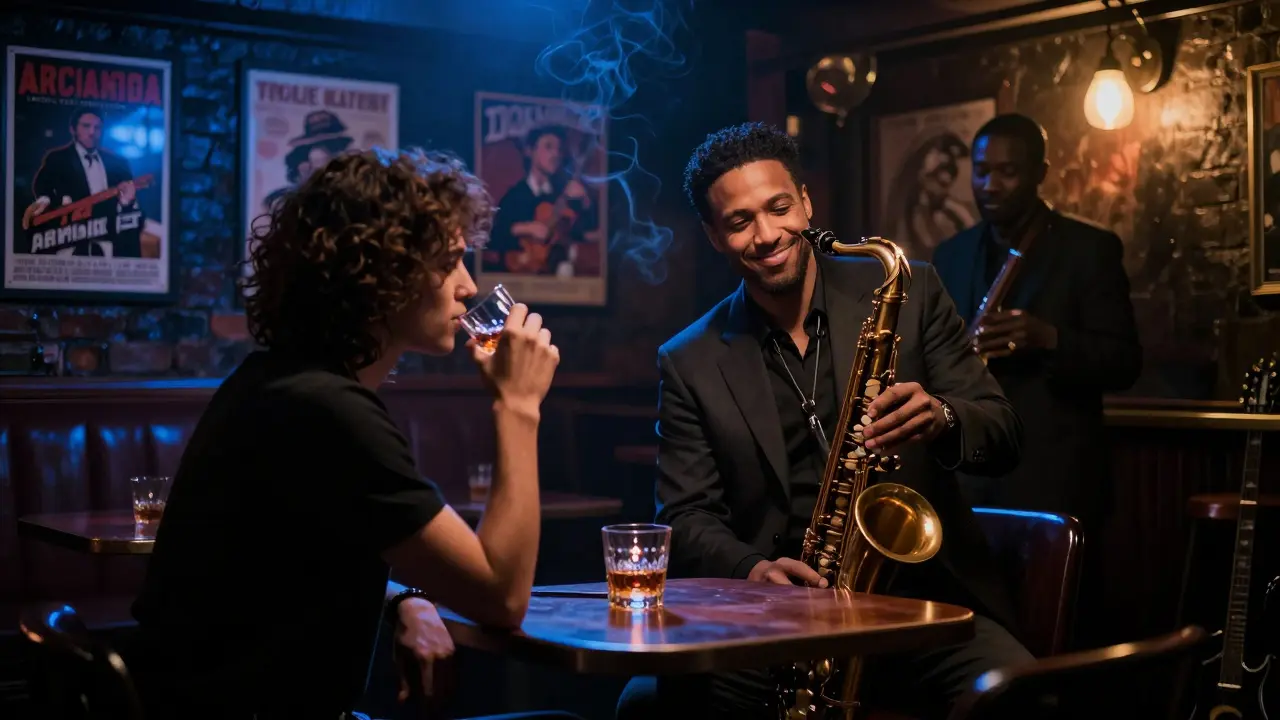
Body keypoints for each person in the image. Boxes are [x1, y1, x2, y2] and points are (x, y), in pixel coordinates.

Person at [126, 147, 561, 719]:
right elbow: (501, 598)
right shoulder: (327, 411)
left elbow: (290, 567)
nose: (467, 285)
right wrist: (518, 405)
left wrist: (404, 598)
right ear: (382, 272)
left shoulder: (278, 381)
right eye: (449, 261)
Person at [616, 122, 1032, 720]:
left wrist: (942, 417)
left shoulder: (909, 292)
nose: (767, 235)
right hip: (777, 623)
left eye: (779, 207)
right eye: (739, 222)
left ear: (806, 202)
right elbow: (685, 515)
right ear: (714, 236)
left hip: (918, 607)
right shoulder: (688, 360)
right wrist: (751, 569)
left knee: (1021, 691)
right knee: (646, 701)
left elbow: (1003, 433)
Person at [930, 113, 1141, 542]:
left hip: (1055, 478)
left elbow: (1125, 362)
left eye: (1008, 172)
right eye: (983, 170)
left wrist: (1049, 338)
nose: (990, 185)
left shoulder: (1090, 249)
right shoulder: (950, 253)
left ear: (1039, 173)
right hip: (970, 471)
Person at [21, 106, 143, 257]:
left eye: (97, 127)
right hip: (72, 239)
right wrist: (49, 201)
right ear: (73, 129)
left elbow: (132, 203)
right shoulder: (58, 158)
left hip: (110, 240)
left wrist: (127, 202)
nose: (92, 132)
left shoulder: (118, 163)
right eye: (86, 126)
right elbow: (42, 187)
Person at [484, 125, 598, 276]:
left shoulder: (562, 194)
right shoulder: (515, 195)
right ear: (530, 151)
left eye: (558, 149)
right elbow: (493, 237)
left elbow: (586, 232)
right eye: (548, 147)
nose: (555, 154)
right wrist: (524, 228)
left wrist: (585, 201)